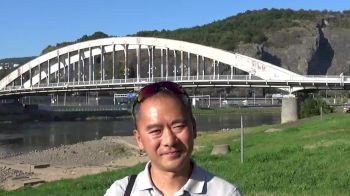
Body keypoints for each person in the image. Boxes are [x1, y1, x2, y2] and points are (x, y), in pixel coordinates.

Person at [105, 81, 242, 196]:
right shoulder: (120, 192)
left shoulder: (225, 193)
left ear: (194, 128)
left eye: (178, 126)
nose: (169, 141)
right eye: (156, 131)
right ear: (139, 139)